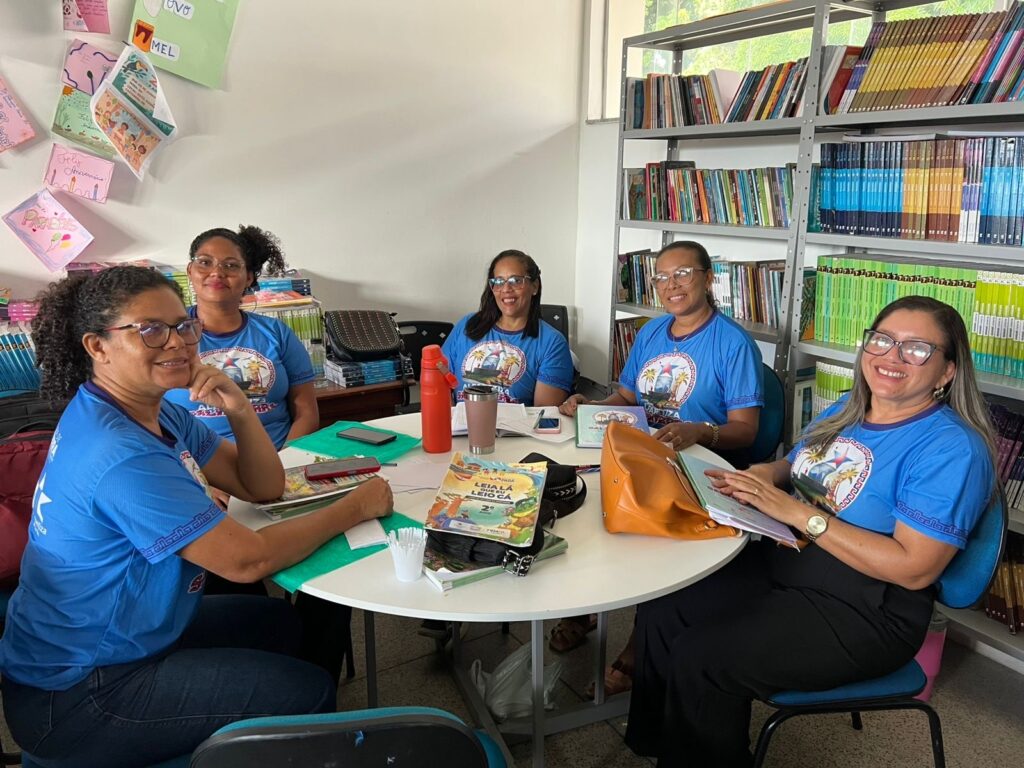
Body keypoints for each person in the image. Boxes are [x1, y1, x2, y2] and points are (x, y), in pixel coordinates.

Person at [0, 267, 393, 767]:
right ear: (98, 347)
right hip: (80, 692)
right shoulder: (119, 452)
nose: (178, 342)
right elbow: (247, 561)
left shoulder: (152, 409)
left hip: (123, 638)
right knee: (306, 689)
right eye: (149, 329)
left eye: (183, 325)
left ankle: (285, 737)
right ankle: (297, 732)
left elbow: (261, 486)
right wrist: (355, 506)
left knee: (280, 625)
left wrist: (239, 408)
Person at [625, 295, 996, 768]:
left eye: (917, 349)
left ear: (947, 371)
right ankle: (662, 748)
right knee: (665, 606)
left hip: (868, 607)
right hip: (792, 562)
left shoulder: (952, 448)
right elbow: (798, 463)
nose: (892, 356)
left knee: (704, 657)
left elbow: (914, 569)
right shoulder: (850, 407)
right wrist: (765, 474)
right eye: (882, 340)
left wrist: (800, 515)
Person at [554, 240, 765, 691]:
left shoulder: (733, 343)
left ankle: (639, 643)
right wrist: (590, 408)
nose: (672, 285)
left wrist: (700, 431)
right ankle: (583, 608)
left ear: (708, 279)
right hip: (645, 455)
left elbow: (746, 431)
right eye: (662, 277)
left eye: (683, 273)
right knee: (579, 506)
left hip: (701, 467)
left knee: (650, 539)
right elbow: (627, 398)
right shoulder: (651, 332)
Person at [163, 225, 319, 450]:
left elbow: (306, 411)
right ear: (190, 270)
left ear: (248, 278)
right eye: (205, 262)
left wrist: (284, 461)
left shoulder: (277, 333)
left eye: (231, 265)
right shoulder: (167, 333)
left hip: (278, 456)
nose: (217, 272)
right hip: (198, 464)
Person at [442, 249, 573, 407]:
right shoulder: (467, 325)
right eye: (498, 281)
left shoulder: (552, 343)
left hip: (518, 424)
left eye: (516, 280)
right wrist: (447, 414)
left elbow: (544, 414)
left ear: (534, 286)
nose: (506, 289)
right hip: (462, 422)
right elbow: (438, 376)